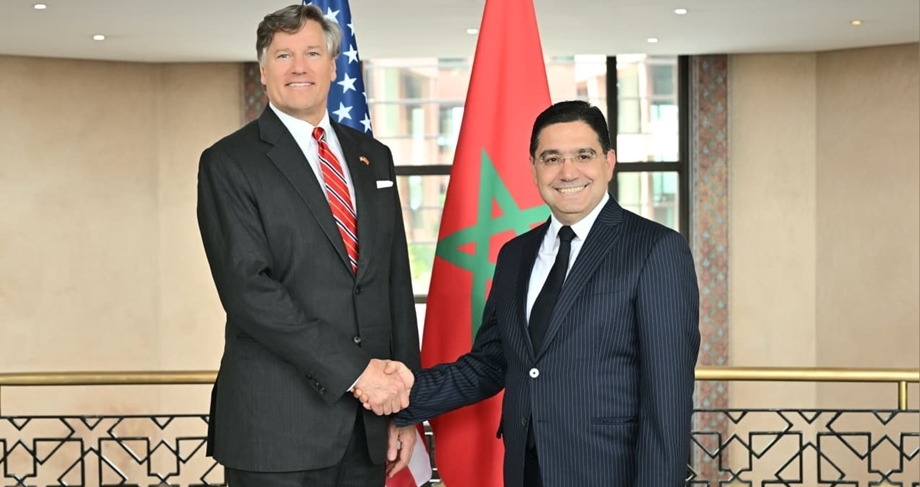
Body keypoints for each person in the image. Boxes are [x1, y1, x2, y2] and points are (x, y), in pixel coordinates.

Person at [359, 100, 700, 487]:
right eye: (551, 158)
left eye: (583, 155)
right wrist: (404, 395)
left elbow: (667, 401)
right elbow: (490, 364)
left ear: (609, 162)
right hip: (526, 470)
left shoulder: (656, 249)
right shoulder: (515, 254)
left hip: (610, 473)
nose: (567, 171)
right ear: (534, 168)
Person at [196, 4, 419, 486]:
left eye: (313, 52)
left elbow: (393, 282)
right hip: (276, 431)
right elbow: (249, 291)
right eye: (283, 55)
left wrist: (405, 409)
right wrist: (361, 377)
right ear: (262, 69)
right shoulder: (229, 162)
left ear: (334, 65)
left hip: (368, 430)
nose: (299, 67)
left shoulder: (373, 157)